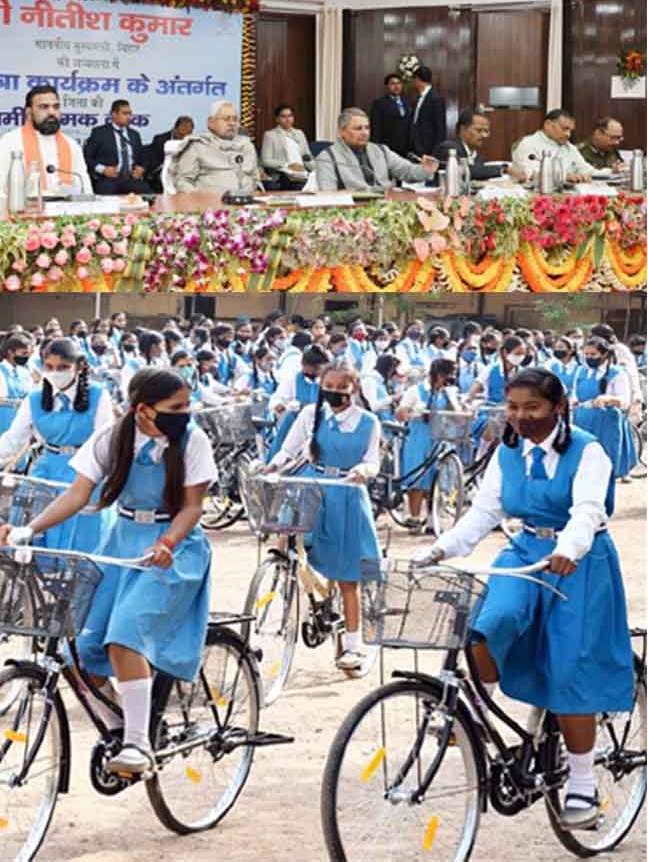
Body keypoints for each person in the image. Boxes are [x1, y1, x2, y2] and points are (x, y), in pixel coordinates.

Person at [418, 367, 633, 830]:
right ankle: (477, 710)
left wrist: (568, 548)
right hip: (524, 550)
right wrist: (441, 548)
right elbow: (484, 512)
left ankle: (581, 783)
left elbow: (588, 510)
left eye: (532, 408)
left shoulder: (587, 450)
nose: (520, 417)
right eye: (513, 408)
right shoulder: (507, 451)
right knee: (485, 624)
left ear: (557, 407)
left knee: (568, 670)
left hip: (579, 560)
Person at [2, 367, 217, 775]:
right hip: (121, 542)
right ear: (142, 410)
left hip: (173, 547)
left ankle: (139, 746)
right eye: (176, 407)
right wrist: (29, 529)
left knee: (126, 635)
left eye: (187, 405)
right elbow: (77, 494)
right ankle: (125, 724)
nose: (185, 414)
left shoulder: (193, 441)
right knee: (78, 652)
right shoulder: (112, 439)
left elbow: (192, 507)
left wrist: (167, 542)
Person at [269, 360, 382, 672]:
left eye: (340, 388)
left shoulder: (368, 422)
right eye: (327, 387)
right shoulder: (310, 414)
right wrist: (270, 467)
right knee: (288, 540)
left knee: (347, 576)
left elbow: (373, 461)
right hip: (310, 486)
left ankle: (353, 646)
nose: (333, 393)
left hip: (347, 491)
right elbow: (288, 450)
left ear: (354, 389)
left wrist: (363, 471)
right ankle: (304, 595)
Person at [0, 338, 115, 552]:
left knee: (82, 541)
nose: (56, 373)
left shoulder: (98, 395)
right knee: (34, 534)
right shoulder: (35, 398)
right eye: (50, 367)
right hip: (47, 471)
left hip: (86, 473)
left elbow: (104, 438)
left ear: (79, 367)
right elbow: (16, 435)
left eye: (63, 367)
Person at [0, 86, 91, 200]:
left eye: (56, 107)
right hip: (24, 213)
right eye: (44, 107)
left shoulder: (71, 145)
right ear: (29, 113)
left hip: (66, 212)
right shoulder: (9, 143)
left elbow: (86, 188)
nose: (51, 112)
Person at [396, 356, 461, 528]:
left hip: (440, 436)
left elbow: (457, 415)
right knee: (418, 478)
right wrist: (414, 413)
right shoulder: (416, 391)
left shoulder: (448, 392)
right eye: (448, 374)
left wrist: (454, 401)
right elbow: (400, 412)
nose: (450, 378)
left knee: (437, 478)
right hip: (419, 437)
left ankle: (433, 518)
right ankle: (415, 517)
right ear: (438, 374)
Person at [313, 108, 437, 192]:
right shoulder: (327, 158)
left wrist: (425, 169)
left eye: (367, 128)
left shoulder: (381, 151)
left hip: (387, 206)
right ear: (342, 132)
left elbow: (407, 171)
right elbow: (327, 196)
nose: (364, 133)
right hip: (352, 212)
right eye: (358, 128)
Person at [572, 336, 638, 487]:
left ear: (605, 354)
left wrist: (608, 399)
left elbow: (624, 400)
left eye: (593, 355)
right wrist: (574, 402)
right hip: (583, 419)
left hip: (607, 422)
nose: (589, 358)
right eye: (586, 354)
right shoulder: (581, 371)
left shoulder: (617, 373)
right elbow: (575, 394)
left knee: (606, 461)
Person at [169, 101, 260, 194]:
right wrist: (199, 198)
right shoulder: (197, 145)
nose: (232, 123)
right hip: (210, 205)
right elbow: (183, 182)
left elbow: (255, 179)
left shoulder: (247, 145)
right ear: (211, 122)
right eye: (226, 119)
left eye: (235, 119)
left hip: (248, 203)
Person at [434, 108, 526, 181]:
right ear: (463, 129)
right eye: (478, 130)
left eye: (486, 131)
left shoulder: (478, 157)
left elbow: (479, 173)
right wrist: (504, 169)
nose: (484, 135)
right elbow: (465, 171)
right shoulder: (449, 149)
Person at [83, 99, 151, 195]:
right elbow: (87, 157)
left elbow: (143, 158)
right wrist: (103, 169)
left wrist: (142, 168)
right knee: (105, 199)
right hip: (109, 180)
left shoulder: (134, 135)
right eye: (125, 113)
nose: (129, 117)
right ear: (114, 114)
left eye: (130, 114)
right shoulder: (99, 133)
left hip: (130, 179)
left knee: (149, 196)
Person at [512, 109, 594, 182]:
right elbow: (530, 174)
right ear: (548, 125)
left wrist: (605, 173)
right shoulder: (528, 143)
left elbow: (586, 170)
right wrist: (564, 176)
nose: (568, 134)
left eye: (570, 130)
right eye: (564, 129)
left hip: (569, 193)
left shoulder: (569, 147)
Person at [260, 104, 315, 188]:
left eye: (290, 116)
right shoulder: (270, 135)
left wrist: (315, 169)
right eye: (284, 116)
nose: (288, 119)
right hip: (284, 174)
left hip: (303, 172)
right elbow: (265, 160)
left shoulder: (299, 133)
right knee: (299, 186)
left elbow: (307, 156)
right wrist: (288, 165)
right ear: (277, 119)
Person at [143, 115, 193, 188]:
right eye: (181, 134)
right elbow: (155, 164)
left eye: (188, 134)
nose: (184, 137)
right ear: (174, 129)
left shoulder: (191, 142)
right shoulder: (160, 140)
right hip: (161, 172)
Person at [369, 73, 411, 157]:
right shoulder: (379, 103)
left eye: (399, 83)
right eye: (393, 84)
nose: (396, 86)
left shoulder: (407, 102)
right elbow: (376, 127)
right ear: (387, 86)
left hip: (406, 148)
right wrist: (377, 148)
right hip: (388, 147)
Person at [409, 65, 446, 158]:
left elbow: (440, 128)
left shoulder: (435, 99)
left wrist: (436, 152)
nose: (413, 83)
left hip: (429, 148)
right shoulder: (418, 98)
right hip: (416, 146)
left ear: (418, 79)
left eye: (414, 79)